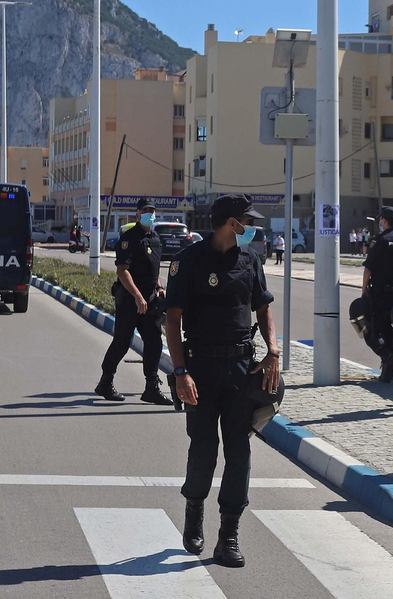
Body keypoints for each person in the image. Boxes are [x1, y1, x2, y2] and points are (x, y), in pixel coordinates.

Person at [164, 194, 281, 568]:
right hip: (199, 369)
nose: (253, 227)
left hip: (241, 370)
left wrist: (273, 352)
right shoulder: (189, 261)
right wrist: (180, 373)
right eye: (247, 220)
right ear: (232, 223)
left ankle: (228, 535)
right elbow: (172, 321)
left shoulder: (251, 260)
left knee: (240, 451)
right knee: (203, 448)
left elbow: (263, 310)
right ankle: (194, 513)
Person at [96, 198, 172, 405]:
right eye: (146, 211)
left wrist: (159, 288)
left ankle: (151, 387)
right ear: (137, 214)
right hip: (130, 300)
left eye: (153, 211)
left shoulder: (155, 238)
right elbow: (123, 272)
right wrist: (138, 297)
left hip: (150, 301)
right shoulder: (129, 239)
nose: (150, 214)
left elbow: (154, 271)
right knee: (122, 342)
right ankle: (105, 381)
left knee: (154, 342)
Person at [359, 206, 393, 381]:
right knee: (391, 330)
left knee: (373, 331)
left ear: (384, 221)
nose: (379, 222)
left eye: (380, 220)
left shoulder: (378, 241)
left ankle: (386, 356)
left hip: (380, 293)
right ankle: (388, 370)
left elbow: (368, 269)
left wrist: (363, 290)